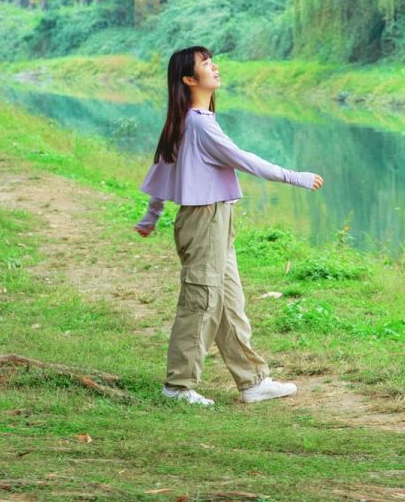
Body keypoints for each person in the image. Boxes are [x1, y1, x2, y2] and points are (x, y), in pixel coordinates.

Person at [135, 45, 323, 407]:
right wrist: (294, 177)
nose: (214, 67)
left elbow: (164, 169)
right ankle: (178, 386)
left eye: (212, 62)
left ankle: (252, 381)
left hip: (216, 219)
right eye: (206, 65)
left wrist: (151, 216)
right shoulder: (198, 124)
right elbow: (243, 160)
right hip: (205, 219)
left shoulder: (187, 120)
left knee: (230, 303)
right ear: (190, 79)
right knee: (201, 301)